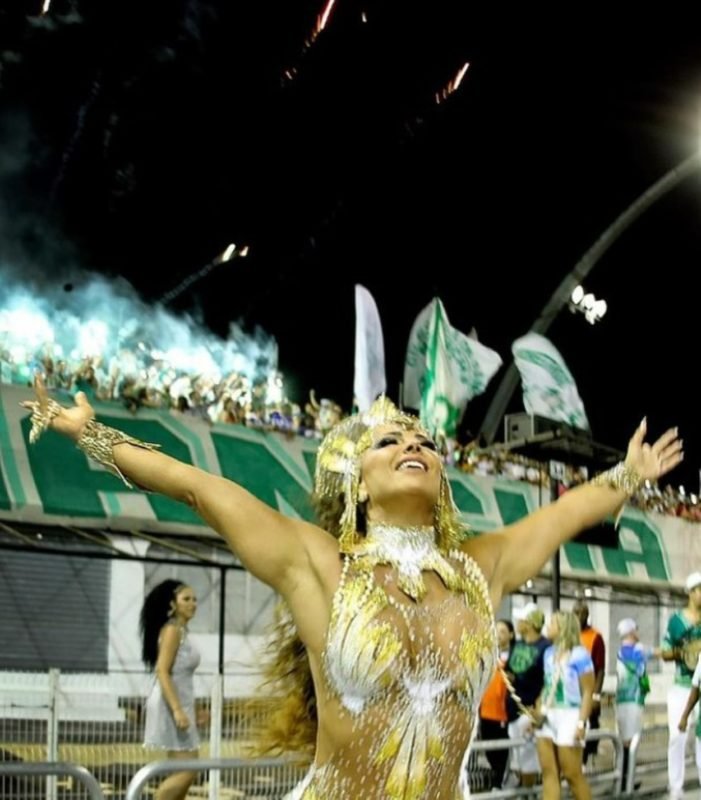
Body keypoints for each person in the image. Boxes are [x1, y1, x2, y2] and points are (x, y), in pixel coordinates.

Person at [22, 381, 683, 800]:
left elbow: (565, 516)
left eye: (423, 439)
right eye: (390, 440)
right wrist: (91, 433)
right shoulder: (319, 566)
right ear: (358, 483)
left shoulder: (482, 569)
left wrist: (628, 472)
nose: (413, 443)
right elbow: (197, 486)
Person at [140, 579, 202, 800]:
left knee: (184, 768)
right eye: (186, 599)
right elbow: (163, 671)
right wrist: (177, 710)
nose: (193, 603)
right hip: (171, 704)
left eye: (195, 599)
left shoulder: (182, 631)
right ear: (173, 604)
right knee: (189, 768)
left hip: (181, 702)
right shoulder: (172, 630)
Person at [535, 611, 594, 800]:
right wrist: (538, 710)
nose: (547, 627)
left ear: (563, 627)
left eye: (552, 623)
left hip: (571, 714)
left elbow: (587, 692)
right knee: (548, 773)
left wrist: (581, 723)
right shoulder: (548, 653)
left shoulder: (580, 654)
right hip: (548, 713)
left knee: (572, 774)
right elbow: (546, 684)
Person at [661, 570, 701, 799]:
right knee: (677, 735)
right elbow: (665, 652)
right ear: (691, 592)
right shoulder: (676, 621)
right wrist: (683, 652)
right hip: (682, 686)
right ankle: (676, 786)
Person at [504, 602, 549, 790]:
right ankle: (523, 789)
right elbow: (510, 670)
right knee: (517, 759)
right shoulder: (518, 644)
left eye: (520, 620)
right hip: (512, 709)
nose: (517, 623)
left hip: (530, 709)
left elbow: (549, 681)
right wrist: (509, 676)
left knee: (528, 758)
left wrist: (539, 710)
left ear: (529, 624)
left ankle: (528, 793)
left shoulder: (546, 647)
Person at [615, 617, 657, 787]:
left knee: (625, 740)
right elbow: (659, 652)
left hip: (623, 701)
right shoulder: (635, 651)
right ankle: (626, 782)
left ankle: (624, 780)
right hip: (632, 701)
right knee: (630, 742)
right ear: (631, 632)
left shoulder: (621, 652)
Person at [478, 619, 515, 789]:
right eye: (496, 630)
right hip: (486, 711)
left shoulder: (514, 659)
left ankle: (499, 784)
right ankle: (497, 782)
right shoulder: (486, 654)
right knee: (489, 748)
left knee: (501, 751)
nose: (498, 635)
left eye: (502, 631)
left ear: (511, 635)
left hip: (502, 713)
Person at [572, 600, 605, 763]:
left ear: (587, 615)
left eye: (582, 613)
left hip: (587, 691)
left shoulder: (595, 637)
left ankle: (584, 761)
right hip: (571, 692)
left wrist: (596, 696)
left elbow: (600, 669)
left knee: (588, 726)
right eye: (576, 612)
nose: (578, 616)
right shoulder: (569, 636)